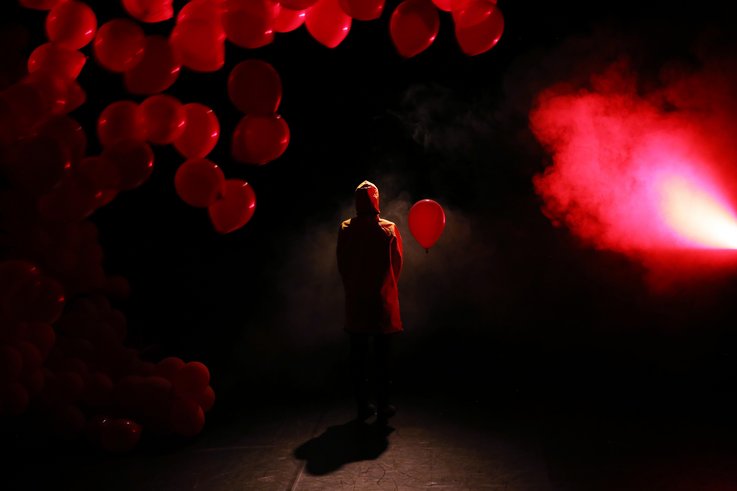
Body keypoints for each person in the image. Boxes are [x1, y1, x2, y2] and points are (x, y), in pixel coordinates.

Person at [337, 180, 403, 423]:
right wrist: (386, 287)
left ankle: (362, 406)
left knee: (359, 359)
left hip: (357, 303)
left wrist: (353, 287)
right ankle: (384, 404)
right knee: (383, 359)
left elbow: (342, 263)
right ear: (376, 200)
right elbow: (397, 265)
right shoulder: (389, 229)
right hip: (382, 303)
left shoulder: (346, 228)